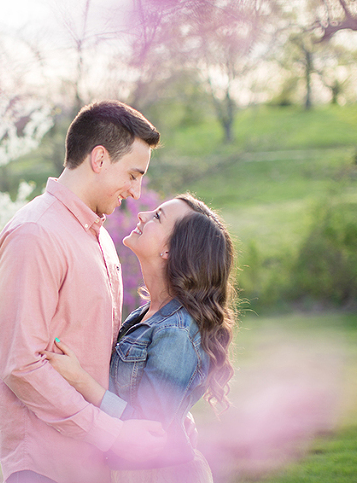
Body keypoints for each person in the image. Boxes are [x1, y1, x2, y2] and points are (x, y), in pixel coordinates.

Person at [0, 101, 167, 483]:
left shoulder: (99, 235)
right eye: (133, 174)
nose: (136, 192)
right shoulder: (34, 234)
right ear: (100, 159)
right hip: (47, 469)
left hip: (96, 467)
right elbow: (21, 364)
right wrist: (112, 434)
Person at [42, 194, 238, 483]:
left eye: (157, 217)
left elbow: (148, 428)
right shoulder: (148, 313)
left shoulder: (177, 331)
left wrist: (80, 380)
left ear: (169, 250)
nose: (142, 215)